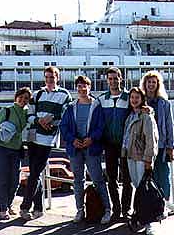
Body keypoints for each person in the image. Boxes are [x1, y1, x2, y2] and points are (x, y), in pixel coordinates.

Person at [19, 66, 72, 220]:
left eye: (52, 77)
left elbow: (64, 116)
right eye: (47, 77)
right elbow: (29, 114)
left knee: (34, 173)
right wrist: (39, 120)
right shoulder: (38, 94)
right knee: (36, 173)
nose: (49, 79)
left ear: (58, 78)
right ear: (44, 78)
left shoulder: (64, 95)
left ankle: (25, 207)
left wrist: (51, 122)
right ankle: (39, 208)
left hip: (47, 139)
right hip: (33, 137)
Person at [60, 75, 111, 224]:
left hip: (91, 148)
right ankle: (80, 210)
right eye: (79, 86)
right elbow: (64, 127)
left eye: (85, 86)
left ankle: (107, 209)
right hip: (75, 148)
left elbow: (101, 126)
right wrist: (72, 140)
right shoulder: (70, 107)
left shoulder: (96, 105)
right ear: (76, 88)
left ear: (89, 87)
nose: (82, 89)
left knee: (98, 179)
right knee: (77, 180)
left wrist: (92, 138)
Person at [0, 87, 32, 220]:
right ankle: (2, 209)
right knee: (3, 178)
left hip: (16, 149)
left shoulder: (27, 112)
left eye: (26, 98)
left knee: (15, 180)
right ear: (16, 97)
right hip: (0, 148)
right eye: (20, 97)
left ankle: (9, 204)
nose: (23, 100)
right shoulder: (7, 110)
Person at [140, 70, 174, 214]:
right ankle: (150, 205)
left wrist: (171, 146)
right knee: (147, 176)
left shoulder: (165, 103)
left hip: (162, 145)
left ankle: (164, 204)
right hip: (144, 147)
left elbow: (170, 125)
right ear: (144, 84)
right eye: (149, 82)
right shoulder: (140, 101)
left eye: (154, 82)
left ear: (158, 85)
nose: (151, 85)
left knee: (163, 175)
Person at [97, 67, 133, 221]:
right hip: (109, 144)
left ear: (121, 79)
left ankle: (126, 209)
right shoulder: (101, 99)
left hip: (125, 144)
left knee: (127, 178)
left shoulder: (129, 97)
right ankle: (116, 209)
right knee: (111, 178)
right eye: (110, 79)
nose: (113, 81)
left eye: (115, 78)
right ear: (107, 80)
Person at [122, 87, 158, 235]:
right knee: (138, 188)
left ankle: (149, 222)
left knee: (145, 190)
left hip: (142, 158)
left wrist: (149, 159)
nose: (134, 100)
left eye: (137, 97)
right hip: (130, 156)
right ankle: (141, 216)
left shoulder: (146, 116)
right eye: (132, 98)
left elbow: (151, 139)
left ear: (142, 99)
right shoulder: (130, 115)